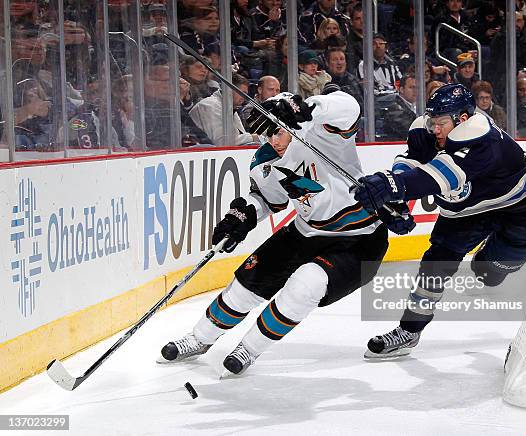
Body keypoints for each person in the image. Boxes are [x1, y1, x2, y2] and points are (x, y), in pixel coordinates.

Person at [158, 89, 390, 375]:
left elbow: (348, 106)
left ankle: (250, 348)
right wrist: (241, 215)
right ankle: (200, 338)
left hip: (359, 241)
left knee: (306, 286)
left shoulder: (323, 134)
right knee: (243, 287)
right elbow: (270, 199)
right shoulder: (265, 159)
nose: (272, 141)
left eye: (277, 132)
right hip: (304, 233)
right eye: (266, 134)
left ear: (292, 122)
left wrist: (306, 107)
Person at [353, 83, 526, 358]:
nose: (435, 128)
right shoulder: (426, 129)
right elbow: (412, 163)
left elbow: (439, 177)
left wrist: (391, 186)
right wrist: (395, 201)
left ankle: (488, 266)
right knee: (435, 263)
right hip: (467, 211)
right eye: (433, 121)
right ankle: (409, 331)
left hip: (521, 209)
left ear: (463, 119)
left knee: (488, 273)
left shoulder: (485, 142)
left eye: (442, 122)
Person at [189, 73, 259, 146]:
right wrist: (253, 137)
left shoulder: (230, 107)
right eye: (242, 93)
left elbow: (240, 137)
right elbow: (221, 142)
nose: (244, 98)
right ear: (229, 90)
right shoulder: (209, 105)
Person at [383, 74, 418, 140]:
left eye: (417, 88)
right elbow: (409, 130)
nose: (415, 90)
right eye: (411, 87)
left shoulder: (418, 106)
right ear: (401, 89)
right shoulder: (395, 108)